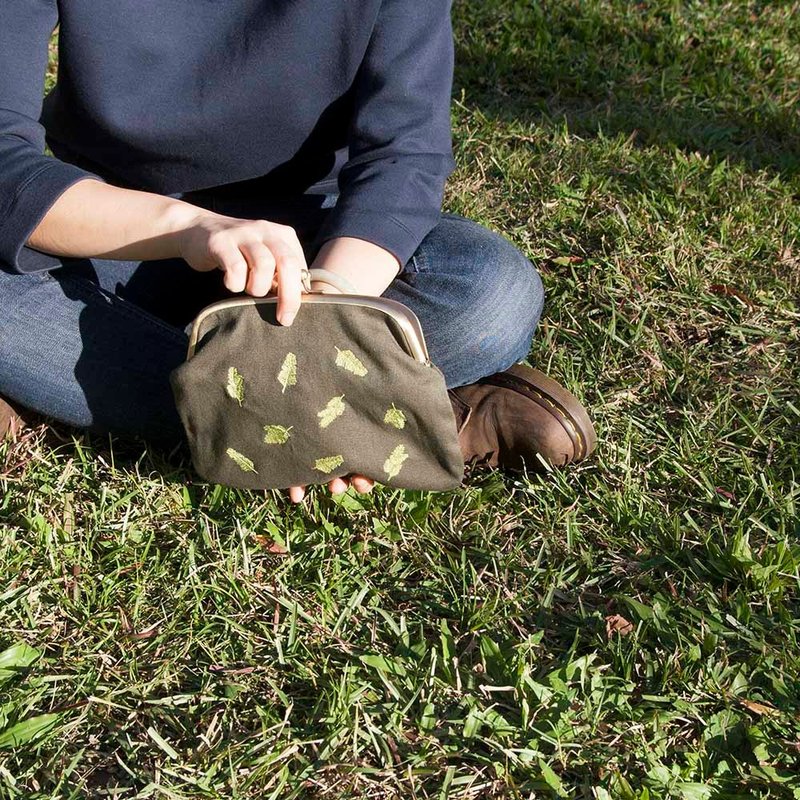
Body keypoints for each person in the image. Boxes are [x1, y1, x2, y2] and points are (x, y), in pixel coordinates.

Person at [0, 0, 596, 502]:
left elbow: (404, 155)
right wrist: (188, 228)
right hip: (122, 226)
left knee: (491, 291)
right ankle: (391, 416)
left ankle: (88, 390)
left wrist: (327, 309)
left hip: (315, 241)